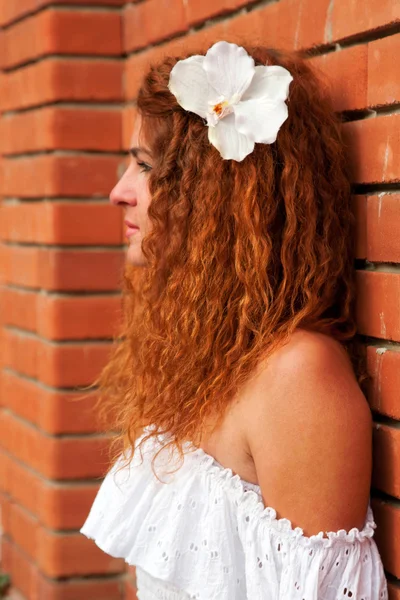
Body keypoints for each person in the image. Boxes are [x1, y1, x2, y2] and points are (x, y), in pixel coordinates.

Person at [80, 41, 388, 599]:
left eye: (145, 166)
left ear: (220, 195)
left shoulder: (298, 377)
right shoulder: (203, 350)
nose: (118, 192)